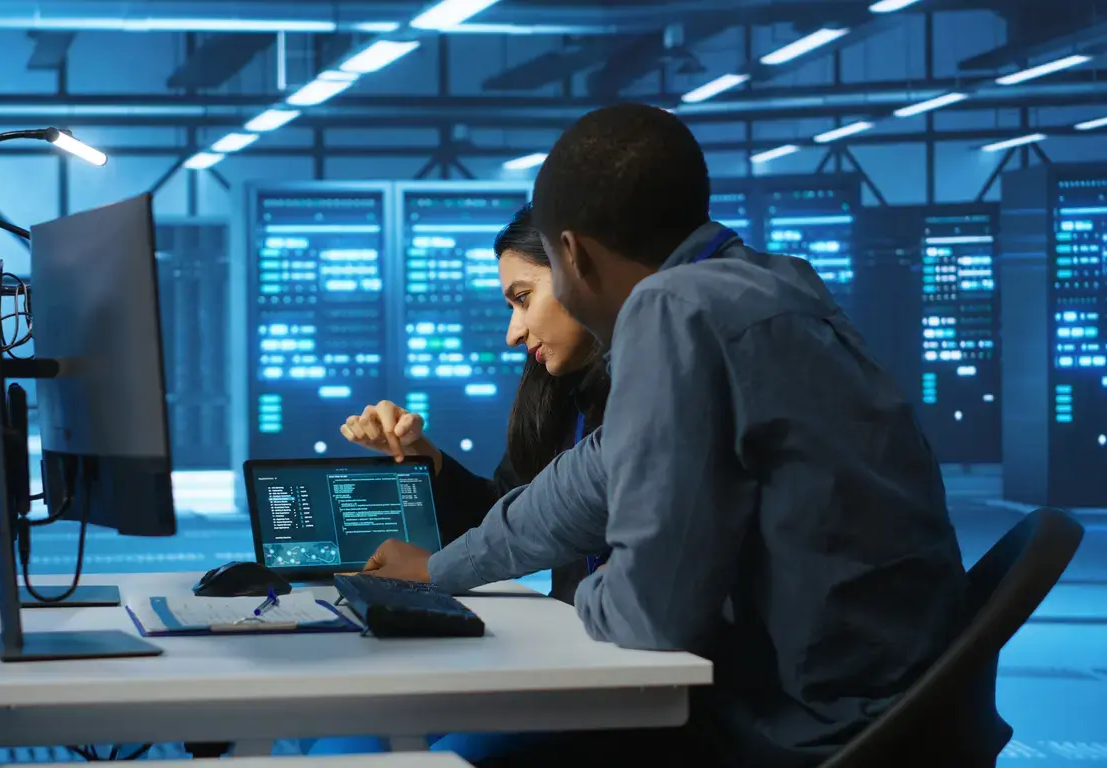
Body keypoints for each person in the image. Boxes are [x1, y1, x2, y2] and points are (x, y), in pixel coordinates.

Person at [361, 103, 1002, 767]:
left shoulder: (673, 309)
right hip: (885, 704)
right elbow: (586, 480)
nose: (517, 327)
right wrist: (441, 570)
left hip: (798, 727)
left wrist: (581, 593)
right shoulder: (772, 282)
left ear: (574, 255)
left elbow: (652, 620)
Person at [339, 203, 610, 605]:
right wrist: (421, 453)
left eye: (523, 298)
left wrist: (431, 573)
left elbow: (539, 524)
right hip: (581, 641)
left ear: (578, 269)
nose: (513, 333)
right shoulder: (560, 392)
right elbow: (503, 516)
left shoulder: (648, 391)